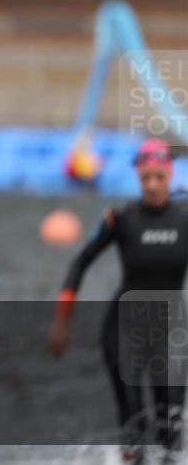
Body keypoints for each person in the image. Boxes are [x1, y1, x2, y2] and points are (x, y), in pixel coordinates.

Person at [48, 138, 188, 464]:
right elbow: (79, 263)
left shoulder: (184, 221)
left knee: (170, 426)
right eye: (146, 178)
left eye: (159, 177)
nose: (152, 185)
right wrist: (60, 322)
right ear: (138, 177)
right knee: (134, 419)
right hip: (124, 329)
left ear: (170, 175)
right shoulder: (121, 218)